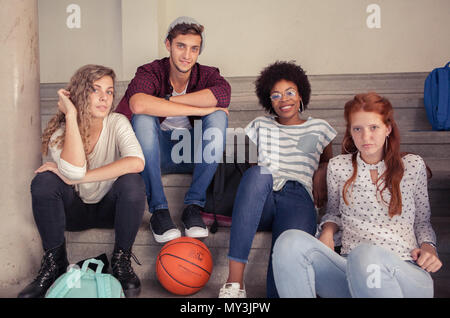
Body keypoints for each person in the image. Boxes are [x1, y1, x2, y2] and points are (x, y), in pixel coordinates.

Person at [272, 92, 442, 298]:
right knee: (289, 242)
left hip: (405, 270)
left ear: (388, 128)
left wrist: (429, 249)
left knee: (366, 254)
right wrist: (327, 232)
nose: (365, 137)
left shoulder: (413, 166)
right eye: (357, 129)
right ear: (350, 132)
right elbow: (334, 214)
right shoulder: (338, 167)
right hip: (351, 268)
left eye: (374, 127)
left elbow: (422, 223)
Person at [18, 65, 146, 298]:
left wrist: (79, 175)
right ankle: (54, 263)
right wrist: (71, 115)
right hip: (73, 211)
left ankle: (121, 261)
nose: (104, 98)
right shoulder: (61, 131)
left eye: (109, 92)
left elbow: (137, 162)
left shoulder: (118, 122)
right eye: (95, 90)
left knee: (132, 182)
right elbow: (74, 171)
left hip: (111, 210)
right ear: (79, 93)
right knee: (44, 181)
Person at [218, 61, 337, 298]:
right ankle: (235, 283)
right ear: (268, 101)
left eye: (290, 92)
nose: (284, 99)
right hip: (263, 197)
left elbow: (326, 161)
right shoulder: (260, 125)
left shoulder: (320, 127)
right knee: (259, 174)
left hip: (299, 197)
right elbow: (253, 166)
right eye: (276, 95)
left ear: (301, 94)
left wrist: (322, 170)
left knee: (282, 285)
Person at [116, 16, 231, 243]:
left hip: (192, 153)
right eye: (180, 46)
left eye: (194, 49)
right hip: (154, 153)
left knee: (218, 115)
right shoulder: (151, 72)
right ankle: (159, 210)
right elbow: (138, 103)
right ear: (168, 45)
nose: (187, 55)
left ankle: (193, 208)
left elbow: (223, 96)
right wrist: (197, 109)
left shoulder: (207, 75)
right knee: (142, 118)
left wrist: (172, 103)